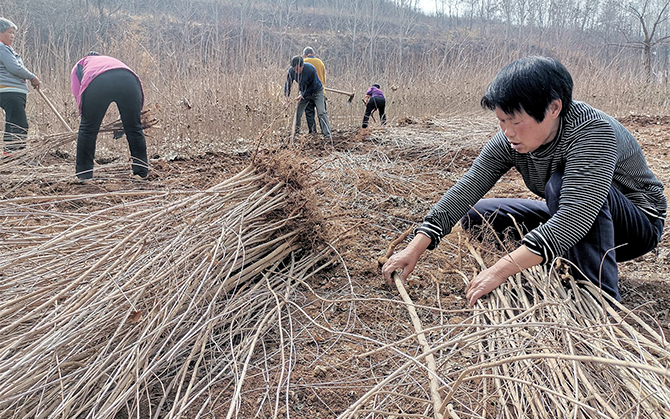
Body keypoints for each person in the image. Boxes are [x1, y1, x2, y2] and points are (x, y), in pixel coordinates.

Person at [382, 56, 666, 307]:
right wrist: (415, 247)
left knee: (559, 182)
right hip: (570, 212)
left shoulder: (592, 132)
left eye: (516, 122)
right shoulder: (510, 141)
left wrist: (500, 270)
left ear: (554, 107)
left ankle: (598, 298)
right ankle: (552, 258)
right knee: (479, 214)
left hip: (634, 225)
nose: (508, 132)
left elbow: (576, 217)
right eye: (501, 121)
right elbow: (467, 187)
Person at [71, 52, 148, 179]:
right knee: (134, 129)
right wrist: (125, 119)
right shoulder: (113, 61)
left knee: (88, 129)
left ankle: (84, 175)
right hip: (130, 80)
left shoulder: (80, 64)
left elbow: (77, 91)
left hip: (97, 81)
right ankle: (141, 173)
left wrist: (85, 116)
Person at [0, 17, 40, 153]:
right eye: (9, 32)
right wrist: (32, 77)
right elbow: (15, 68)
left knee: (11, 123)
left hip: (9, 91)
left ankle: (9, 153)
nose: (12, 36)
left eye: (13, 33)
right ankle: (18, 155)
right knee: (20, 125)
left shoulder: (6, 48)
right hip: (10, 91)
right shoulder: (1, 48)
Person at [284, 55, 331, 140]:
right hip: (304, 92)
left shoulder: (311, 69)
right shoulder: (291, 71)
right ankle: (296, 133)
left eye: (298, 69)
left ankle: (327, 134)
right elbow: (288, 84)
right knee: (298, 112)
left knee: (321, 112)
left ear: (303, 66)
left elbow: (313, 87)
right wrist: (286, 98)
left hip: (317, 91)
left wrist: (302, 95)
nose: (296, 71)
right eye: (295, 69)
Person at [303, 46, 326, 134]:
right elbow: (323, 78)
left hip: (308, 93)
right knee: (322, 113)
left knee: (309, 113)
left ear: (305, 55)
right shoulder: (320, 62)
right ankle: (325, 132)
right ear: (313, 54)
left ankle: (313, 133)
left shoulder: (303, 62)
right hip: (320, 92)